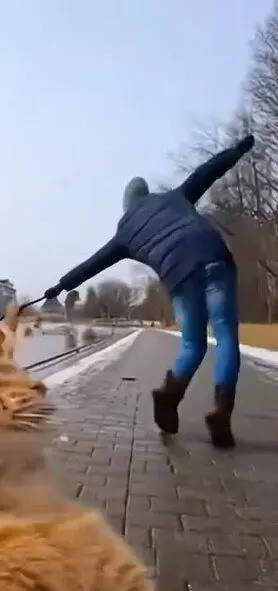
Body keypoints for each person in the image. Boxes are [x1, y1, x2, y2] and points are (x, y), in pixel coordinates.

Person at [45, 134, 255, 448]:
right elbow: (206, 172)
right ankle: (221, 413)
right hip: (214, 259)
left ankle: (170, 396)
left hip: (180, 276)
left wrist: (61, 286)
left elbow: (92, 264)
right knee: (226, 337)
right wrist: (236, 151)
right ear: (147, 196)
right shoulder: (174, 197)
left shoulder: (125, 233)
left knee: (193, 346)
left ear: (126, 206)